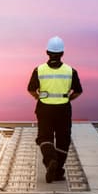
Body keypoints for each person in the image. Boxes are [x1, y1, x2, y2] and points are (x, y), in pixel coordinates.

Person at [27, 36, 82, 182]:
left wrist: (39, 97)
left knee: (45, 137)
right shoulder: (71, 71)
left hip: (44, 108)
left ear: (47, 52)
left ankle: (50, 160)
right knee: (63, 139)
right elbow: (78, 91)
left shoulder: (39, 70)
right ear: (62, 53)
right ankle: (57, 171)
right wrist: (68, 98)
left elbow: (31, 89)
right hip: (63, 108)